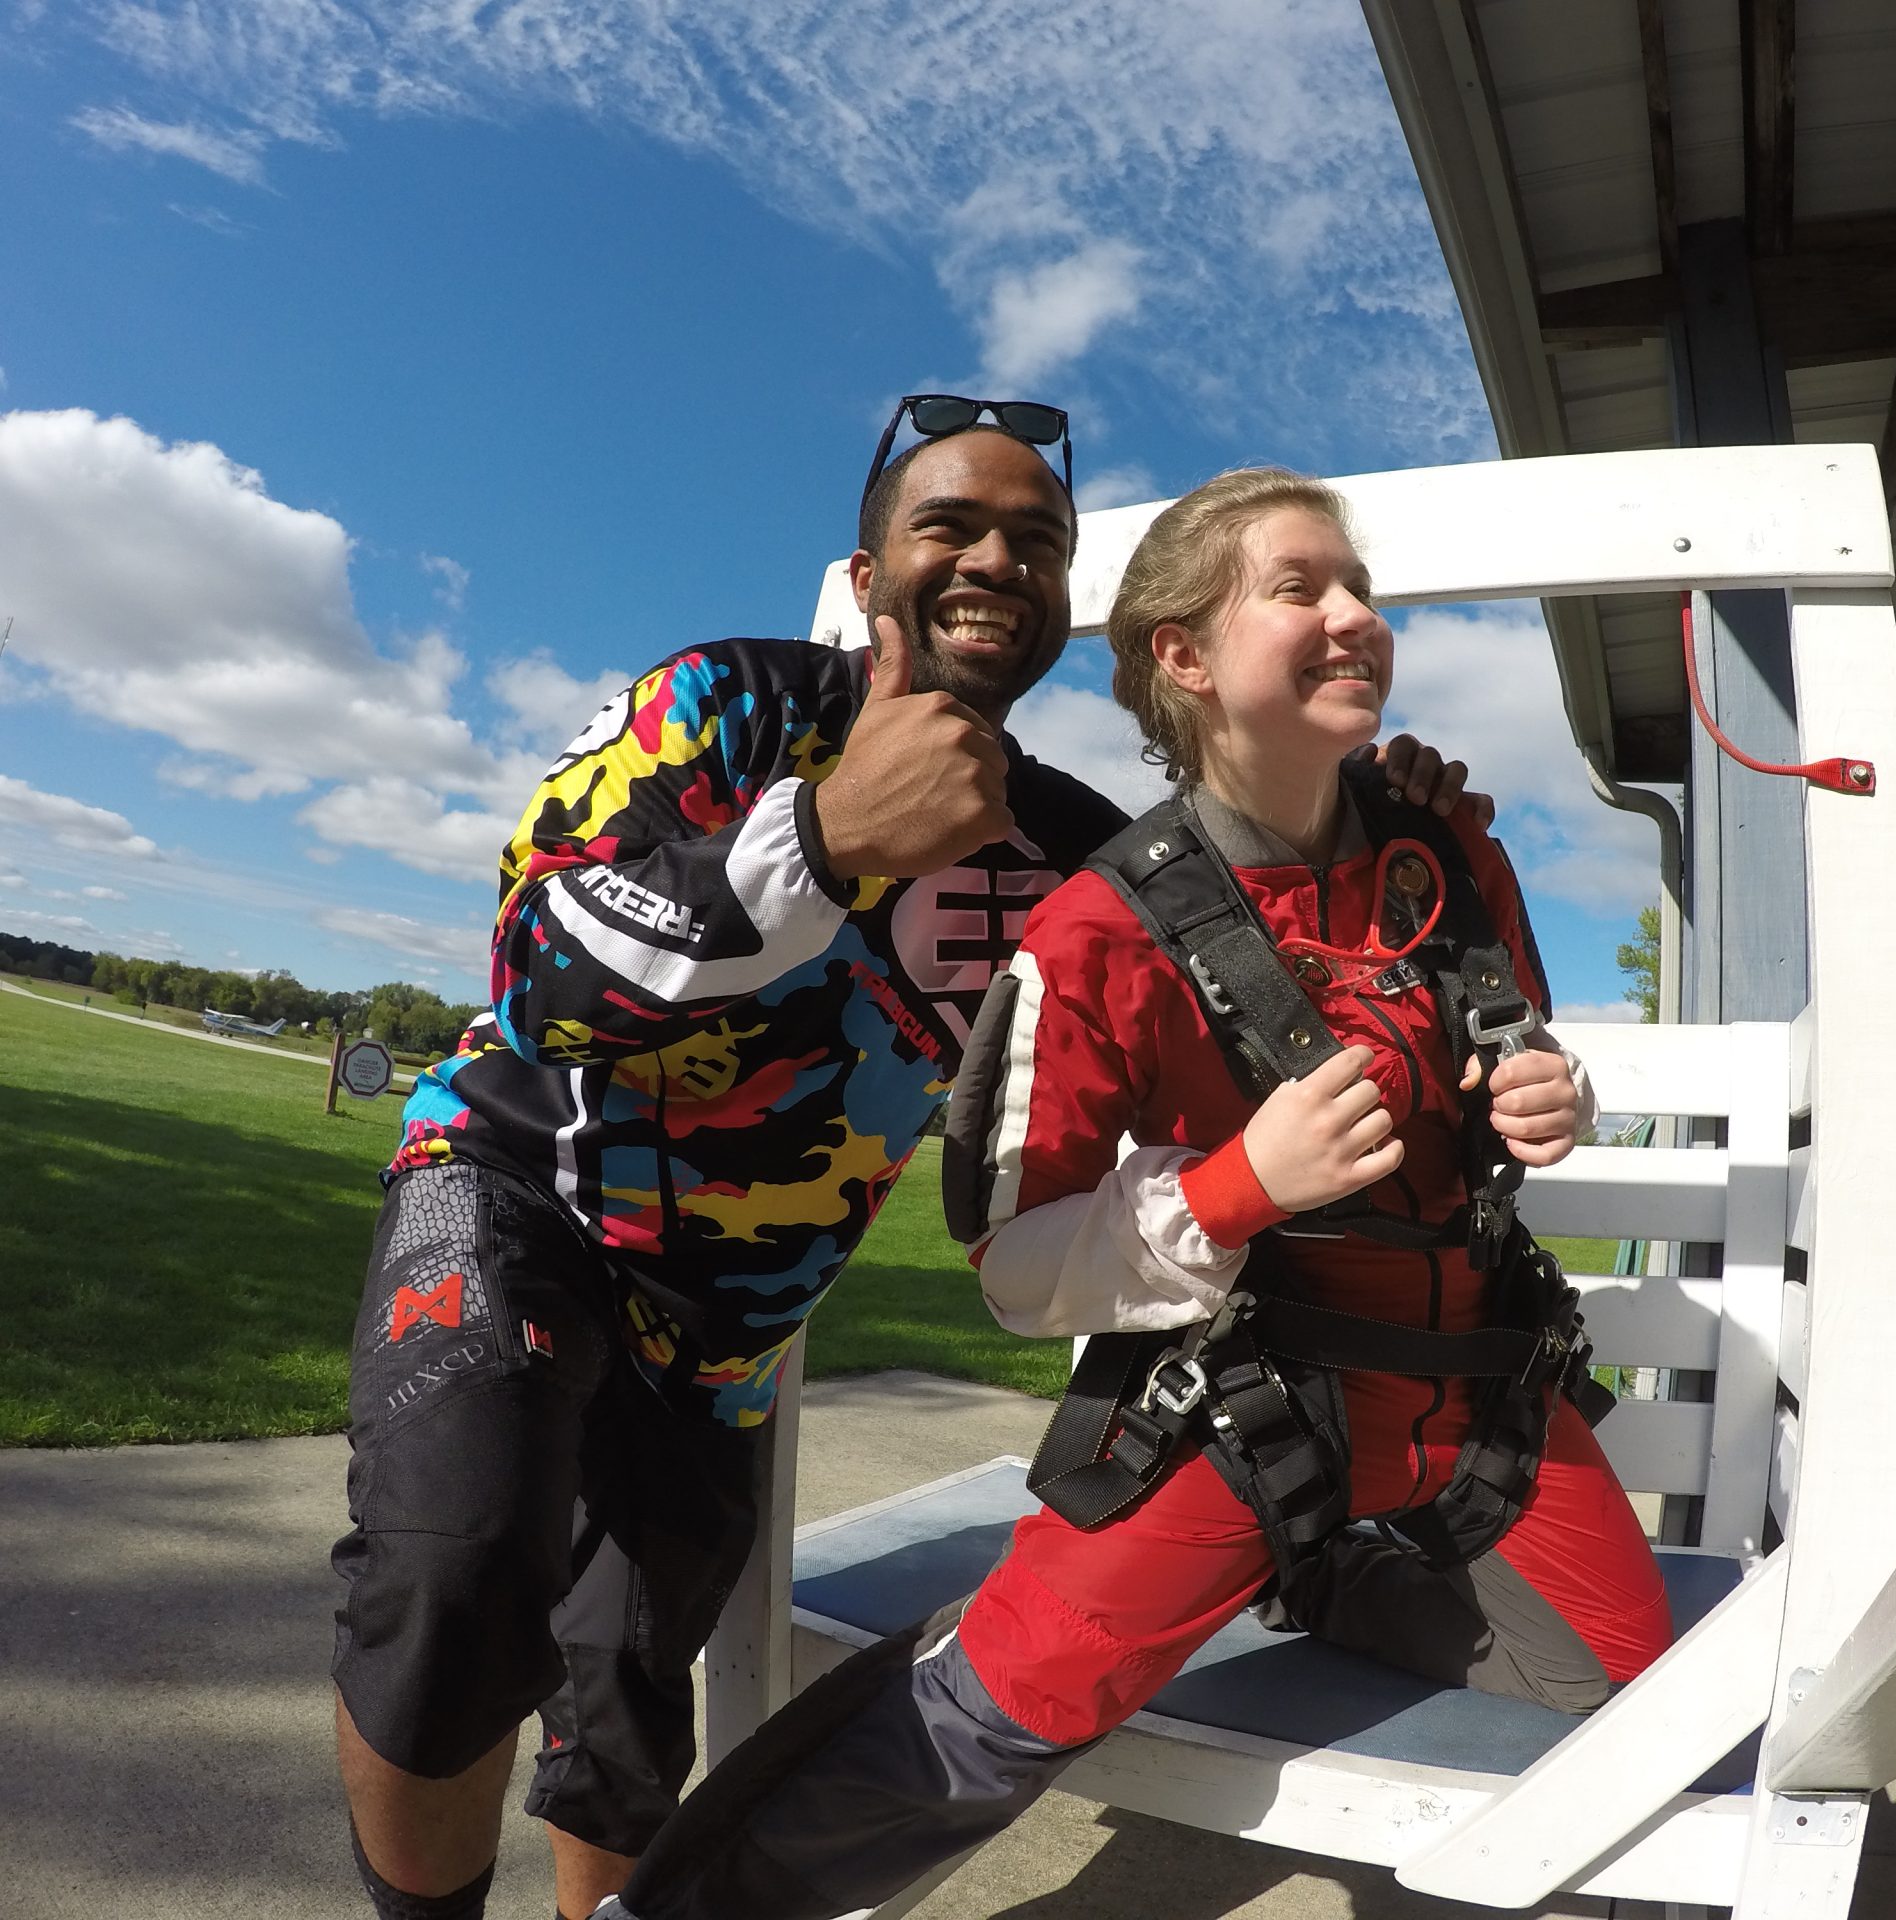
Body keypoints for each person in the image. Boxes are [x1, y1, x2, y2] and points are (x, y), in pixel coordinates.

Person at [330, 404, 1483, 1920]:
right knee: (455, 1573)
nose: (997, 556)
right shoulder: (729, 703)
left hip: (728, 1331)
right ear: (869, 567)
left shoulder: (1083, 852)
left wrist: (1400, 851)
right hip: (519, 1190)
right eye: (951, 524)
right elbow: (539, 964)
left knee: (619, 1708)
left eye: (1039, 541)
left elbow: (1254, 1012)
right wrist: (815, 838)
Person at [597, 467, 1673, 1920]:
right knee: (997, 1720)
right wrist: (1238, 1186)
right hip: (1249, 1411)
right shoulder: (1097, 930)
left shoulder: (1448, 852)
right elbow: (1016, 1266)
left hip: (1485, 1405)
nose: (1358, 616)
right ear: (1182, 653)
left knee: (1625, 1687)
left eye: (1359, 589)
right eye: (1303, 588)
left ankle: (1327, 1571)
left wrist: (1549, 1091)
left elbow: (1507, 1044)